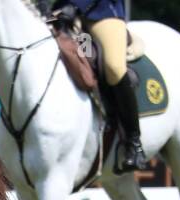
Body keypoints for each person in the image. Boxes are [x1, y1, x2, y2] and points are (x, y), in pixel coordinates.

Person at [59, 1, 149, 172]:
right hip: (62, 14)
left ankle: (133, 142)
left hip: (101, 12)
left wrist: (77, 4)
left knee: (114, 67)